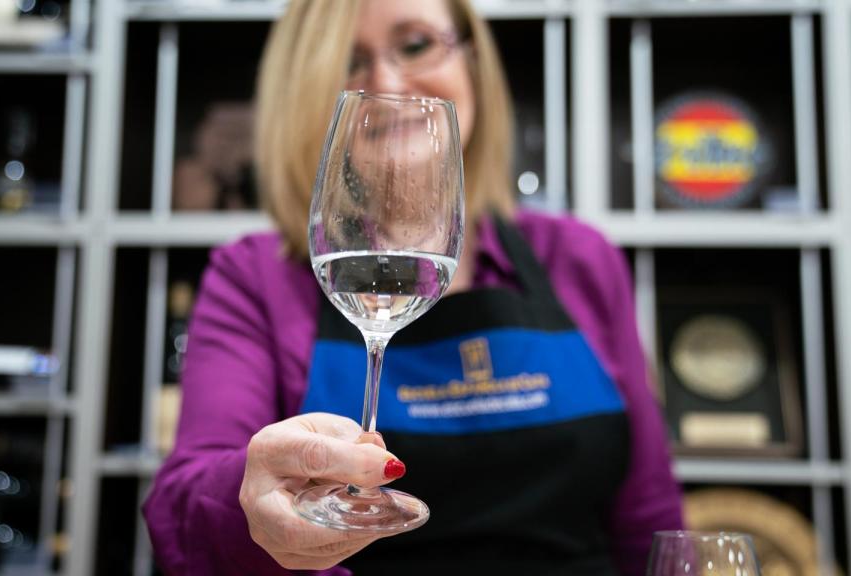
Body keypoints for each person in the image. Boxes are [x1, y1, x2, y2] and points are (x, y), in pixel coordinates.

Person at [142, 0, 683, 574]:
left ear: (473, 64)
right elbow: (181, 513)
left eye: (417, 43)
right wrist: (250, 500)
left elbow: (647, 513)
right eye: (349, 60)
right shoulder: (253, 277)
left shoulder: (579, 258)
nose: (387, 80)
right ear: (304, 94)